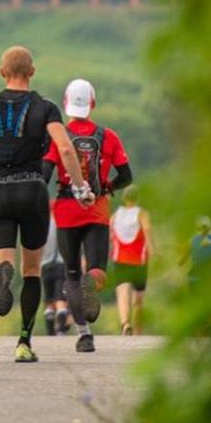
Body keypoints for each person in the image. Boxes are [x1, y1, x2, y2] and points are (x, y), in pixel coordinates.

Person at [0, 45, 93, 363]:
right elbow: (64, 148)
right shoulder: (45, 107)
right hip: (33, 190)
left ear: (2, 72)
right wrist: (80, 187)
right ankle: (24, 341)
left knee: (1, 261)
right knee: (32, 270)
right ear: (32, 72)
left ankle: (0, 274)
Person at [43, 77, 133, 354]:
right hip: (97, 209)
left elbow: (45, 174)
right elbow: (126, 176)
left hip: (66, 211)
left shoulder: (57, 137)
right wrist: (107, 186)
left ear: (65, 103)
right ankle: (91, 281)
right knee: (96, 269)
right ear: (92, 103)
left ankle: (84, 334)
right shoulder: (109, 136)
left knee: (70, 273)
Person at [110, 189, 153, 335]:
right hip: (139, 261)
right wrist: (153, 252)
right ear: (137, 197)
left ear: (124, 198)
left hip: (120, 259)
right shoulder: (142, 214)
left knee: (122, 292)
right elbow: (147, 233)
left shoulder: (116, 216)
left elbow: (111, 236)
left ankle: (125, 323)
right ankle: (138, 329)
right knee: (138, 297)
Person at [41, 219, 72, 336]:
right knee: (60, 297)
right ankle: (61, 329)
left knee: (48, 298)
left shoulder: (44, 226)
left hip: (45, 265)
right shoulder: (65, 224)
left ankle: (50, 330)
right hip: (62, 264)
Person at [185, 216, 211, 285]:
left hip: (207, 270)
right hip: (197, 270)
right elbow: (188, 252)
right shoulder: (194, 239)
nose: (204, 229)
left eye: (205, 227)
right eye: (202, 227)